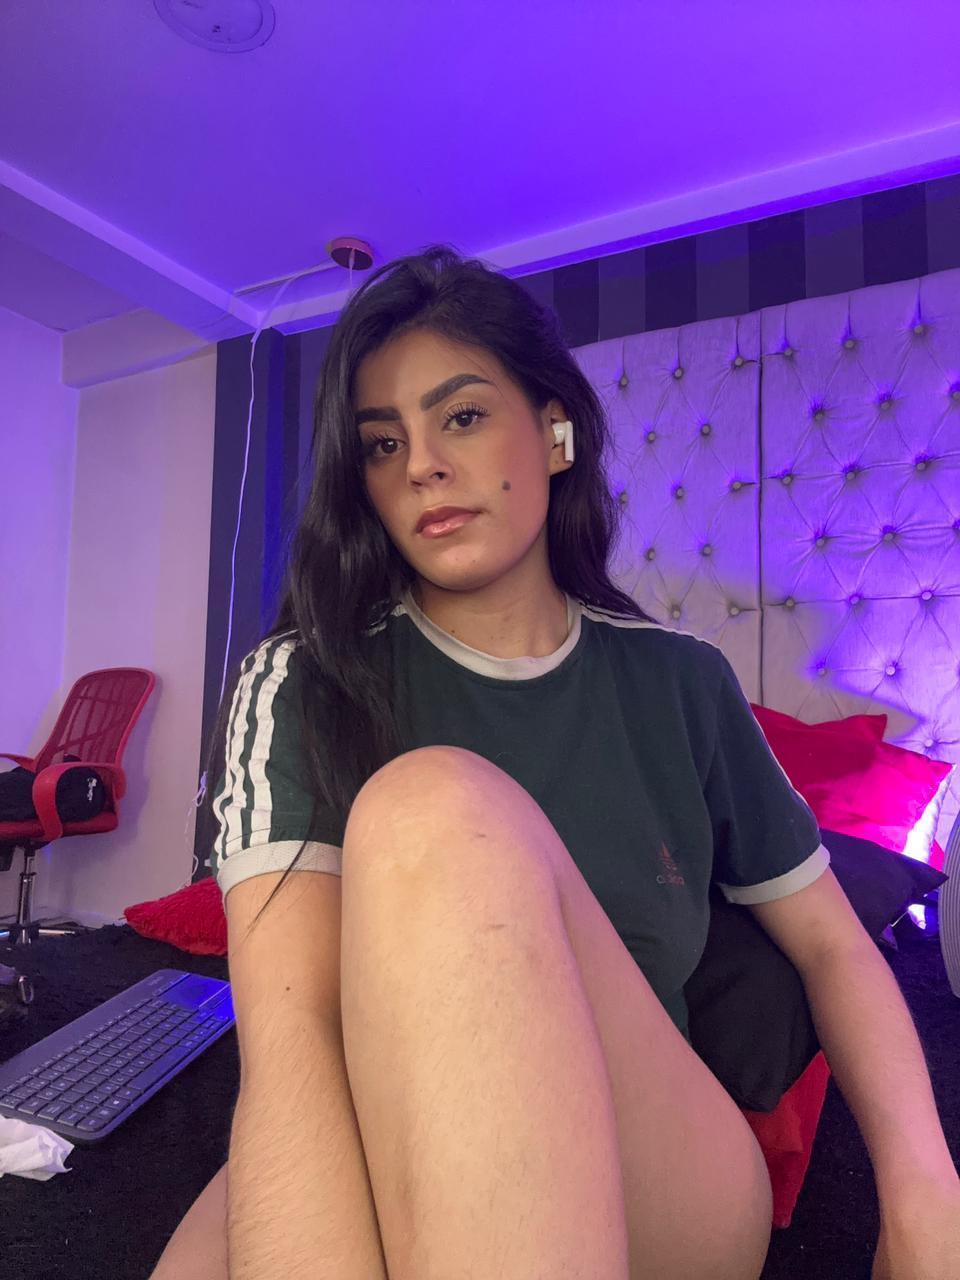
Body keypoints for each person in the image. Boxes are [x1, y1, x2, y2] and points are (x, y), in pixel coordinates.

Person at [149, 246, 960, 1280]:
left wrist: (924, 1192)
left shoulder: (681, 683)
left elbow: (836, 948)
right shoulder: (305, 678)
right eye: (383, 443)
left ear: (555, 430)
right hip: (382, 1113)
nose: (420, 466)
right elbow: (294, 1036)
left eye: (462, 417)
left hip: (660, 1163)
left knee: (431, 805)